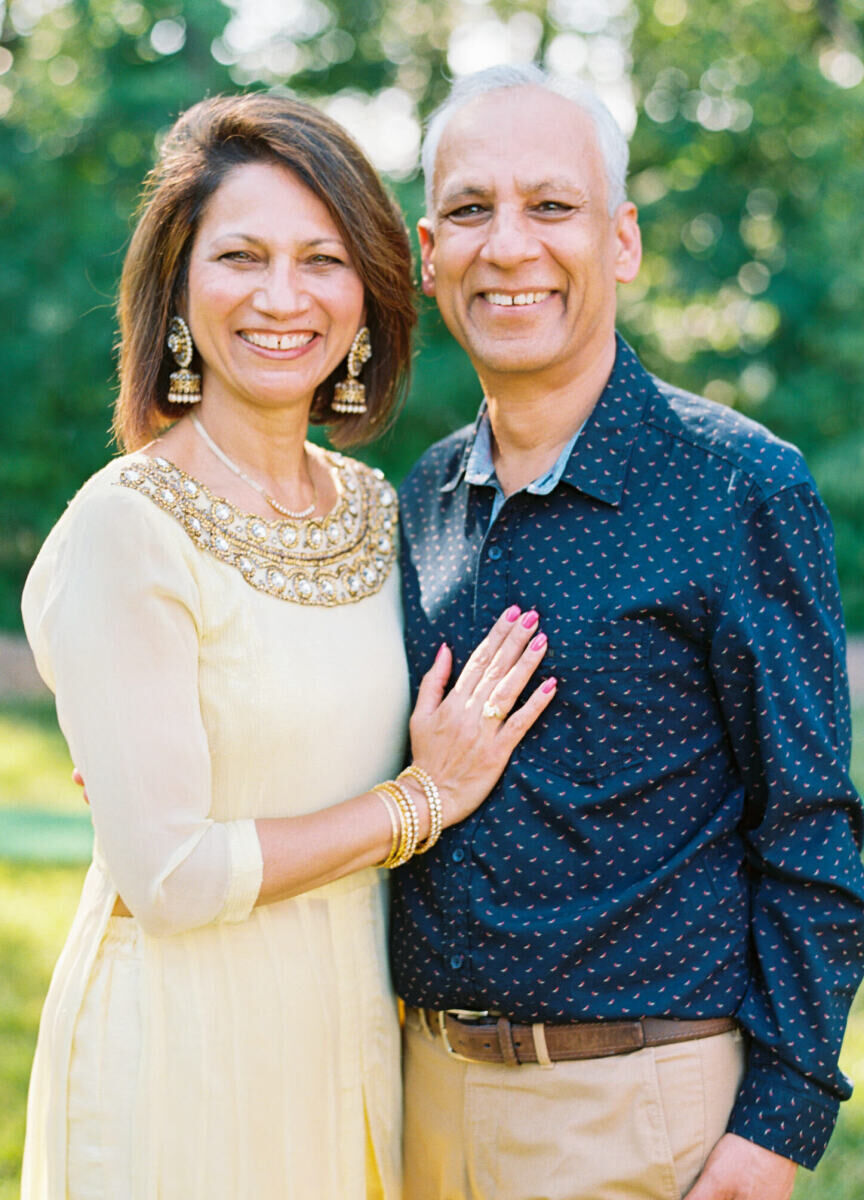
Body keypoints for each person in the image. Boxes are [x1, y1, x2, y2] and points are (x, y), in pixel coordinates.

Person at [19, 92, 558, 1200]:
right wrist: (422, 800)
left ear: (367, 294)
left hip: (351, 1022)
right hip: (183, 1045)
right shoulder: (132, 523)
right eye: (241, 256)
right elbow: (167, 876)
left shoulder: (382, 510)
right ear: (177, 287)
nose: (281, 297)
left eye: (322, 259)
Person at [392, 64, 864, 1200]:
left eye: (551, 206)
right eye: (470, 210)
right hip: (412, 1099)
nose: (508, 246)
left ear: (622, 243)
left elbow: (812, 827)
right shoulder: (418, 497)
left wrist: (780, 1121)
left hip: (636, 1115)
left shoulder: (740, 487)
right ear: (425, 252)